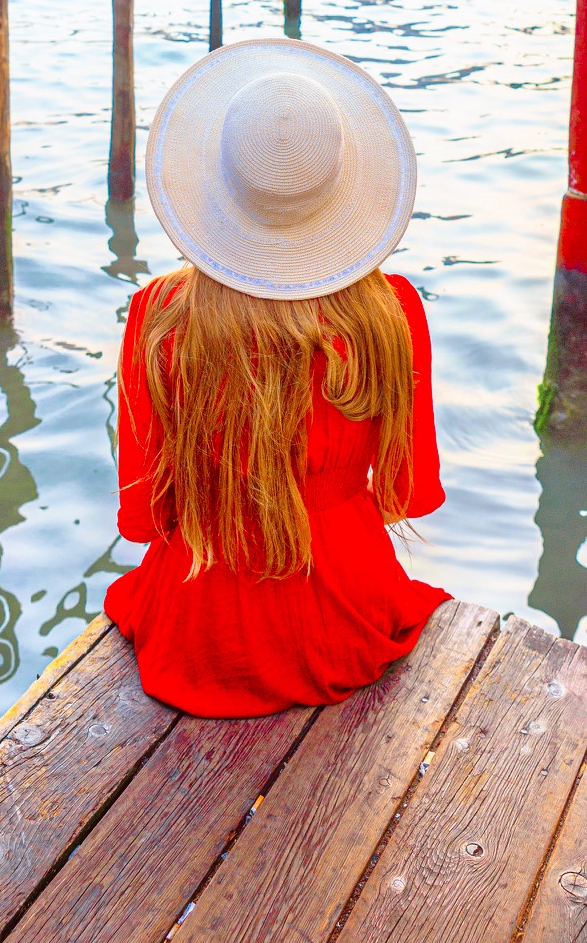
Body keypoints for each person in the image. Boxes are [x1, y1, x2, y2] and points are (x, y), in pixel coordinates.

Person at [105, 38, 449, 717]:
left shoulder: (158, 313)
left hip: (199, 611)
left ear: (216, 178)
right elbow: (405, 491)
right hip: (349, 608)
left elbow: (145, 516)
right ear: (342, 181)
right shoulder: (395, 309)